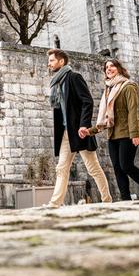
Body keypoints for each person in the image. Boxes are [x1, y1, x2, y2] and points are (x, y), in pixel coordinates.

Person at [85, 59, 139, 201]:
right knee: (117, 169)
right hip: (112, 135)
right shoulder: (108, 90)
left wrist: (135, 133)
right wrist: (90, 131)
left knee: (126, 166)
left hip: (127, 133)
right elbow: (105, 118)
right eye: (106, 67)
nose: (108, 69)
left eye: (112, 66)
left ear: (119, 68)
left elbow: (132, 111)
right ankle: (125, 199)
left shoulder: (128, 86)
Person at [45, 48, 112, 207]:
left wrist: (84, 125)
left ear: (61, 62)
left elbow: (87, 101)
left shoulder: (74, 77)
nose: (49, 64)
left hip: (80, 131)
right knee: (61, 168)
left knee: (93, 168)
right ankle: (55, 203)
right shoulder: (56, 83)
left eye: (52, 60)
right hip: (66, 133)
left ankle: (107, 201)